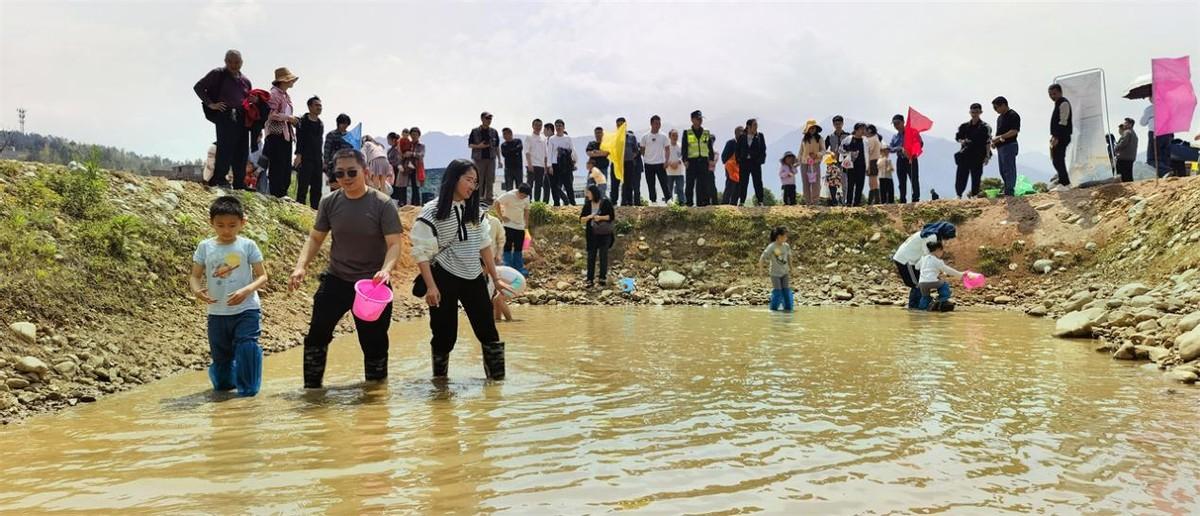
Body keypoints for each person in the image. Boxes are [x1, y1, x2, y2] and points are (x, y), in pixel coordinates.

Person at [289, 149, 404, 389]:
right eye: (339, 173)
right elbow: (315, 239)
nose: (346, 177)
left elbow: (394, 244)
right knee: (317, 336)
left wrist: (386, 270)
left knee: (374, 342)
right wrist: (300, 267)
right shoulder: (329, 202)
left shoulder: (382, 204)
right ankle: (312, 392)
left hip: (373, 286)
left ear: (366, 172)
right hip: (337, 279)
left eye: (352, 172)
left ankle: (375, 396)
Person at [411, 159, 508, 380]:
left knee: (488, 332)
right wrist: (431, 287)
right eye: (468, 180)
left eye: (475, 181)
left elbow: (484, 245)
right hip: (443, 276)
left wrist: (495, 277)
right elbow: (421, 253)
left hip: (473, 276)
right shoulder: (431, 212)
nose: (472, 186)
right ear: (454, 178)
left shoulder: (475, 211)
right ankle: (440, 385)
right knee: (444, 335)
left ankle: (496, 385)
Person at [189, 195, 267, 396]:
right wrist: (197, 291)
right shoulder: (205, 247)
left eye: (232, 225)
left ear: (243, 222)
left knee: (247, 347)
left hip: (246, 308)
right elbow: (195, 276)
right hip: (217, 312)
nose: (226, 230)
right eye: (220, 225)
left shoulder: (248, 245)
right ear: (211, 223)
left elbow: (263, 276)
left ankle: (249, 395)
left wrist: (246, 290)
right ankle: (226, 386)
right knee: (222, 366)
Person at [194, 50, 252, 189]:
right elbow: (199, 87)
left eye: (236, 62)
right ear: (225, 61)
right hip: (225, 114)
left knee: (242, 150)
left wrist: (252, 100)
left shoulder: (246, 81)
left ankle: (239, 182)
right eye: (230, 61)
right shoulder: (218, 74)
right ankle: (220, 179)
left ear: (242, 62)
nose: (233, 65)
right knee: (225, 148)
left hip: (242, 117)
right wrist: (211, 104)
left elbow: (247, 99)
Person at [892, 221, 956, 309]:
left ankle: (917, 308)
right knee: (917, 284)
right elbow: (928, 255)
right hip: (906, 260)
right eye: (947, 237)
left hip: (913, 260)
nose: (947, 239)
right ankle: (915, 308)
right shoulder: (932, 237)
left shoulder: (931, 233)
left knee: (920, 283)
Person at [263, 67, 299, 198]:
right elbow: (271, 114)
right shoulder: (274, 94)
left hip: (286, 134)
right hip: (276, 134)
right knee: (277, 164)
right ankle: (276, 193)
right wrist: (289, 118)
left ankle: (283, 192)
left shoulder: (285, 95)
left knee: (285, 164)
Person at [580, 184, 615, 288]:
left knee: (603, 256)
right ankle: (590, 279)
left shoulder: (606, 202)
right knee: (591, 257)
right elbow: (581, 219)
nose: (587, 195)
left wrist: (600, 217)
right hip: (591, 235)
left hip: (604, 235)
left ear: (593, 193)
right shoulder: (587, 204)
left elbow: (611, 216)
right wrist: (589, 217)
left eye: (588, 192)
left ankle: (602, 278)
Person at [954, 103, 991, 198]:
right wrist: (963, 141)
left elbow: (988, 142)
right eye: (973, 112)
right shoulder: (964, 126)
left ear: (980, 112)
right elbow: (958, 137)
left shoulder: (985, 127)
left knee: (976, 177)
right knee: (961, 176)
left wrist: (987, 156)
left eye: (977, 112)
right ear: (970, 112)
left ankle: (974, 195)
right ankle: (959, 195)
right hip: (965, 154)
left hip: (978, 155)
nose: (974, 114)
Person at [293, 96, 324, 209]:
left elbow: (320, 142)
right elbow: (299, 139)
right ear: (309, 106)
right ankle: (300, 208)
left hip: (317, 159)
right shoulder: (303, 121)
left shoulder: (320, 123)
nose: (319, 107)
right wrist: (299, 155)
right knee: (303, 186)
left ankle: (315, 211)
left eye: (320, 105)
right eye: (316, 105)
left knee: (317, 188)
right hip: (305, 158)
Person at [682, 110, 717, 206]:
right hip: (691, 161)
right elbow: (684, 147)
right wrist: (684, 160)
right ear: (692, 120)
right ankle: (689, 202)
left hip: (703, 161)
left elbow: (709, 147)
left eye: (701, 118)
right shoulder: (687, 132)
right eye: (698, 118)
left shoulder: (706, 132)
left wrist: (711, 159)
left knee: (704, 183)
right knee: (690, 183)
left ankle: (704, 202)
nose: (700, 120)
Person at [916, 241, 964, 311]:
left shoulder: (923, 258)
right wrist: (960, 274)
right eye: (942, 251)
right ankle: (940, 300)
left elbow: (916, 267)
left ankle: (922, 310)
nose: (942, 253)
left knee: (925, 297)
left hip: (922, 283)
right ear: (938, 250)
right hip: (932, 281)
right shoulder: (937, 261)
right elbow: (948, 270)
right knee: (944, 284)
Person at [495, 184, 532, 275]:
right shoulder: (509, 195)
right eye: (522, 195)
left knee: (518, 248)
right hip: (508, 225)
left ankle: (519, 267)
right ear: (518, 192)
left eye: (525, 196)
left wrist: (526, 224)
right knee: (507, 246)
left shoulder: (526, 197)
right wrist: (502, 217)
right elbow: (496, 202)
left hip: (520, 227)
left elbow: (527, 210)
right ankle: (507, 267)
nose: (523, 197)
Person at [485, 211, 514, 322]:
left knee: (494, 295)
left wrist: (499, 254)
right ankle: (497, 320)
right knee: (495, 297)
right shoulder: (471, 220)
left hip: (491, 258)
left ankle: (497, 319)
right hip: (477, 259)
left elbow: (501, 239)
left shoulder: (494, 221)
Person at [991, 96, 1021, 196]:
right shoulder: (1000, 118)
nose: (995, 110)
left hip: (1010, 145)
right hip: (1001, 147)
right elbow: (999, 132)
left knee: (1009, 169)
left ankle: (1010, 191)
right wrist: (995, 142)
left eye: (996, 107)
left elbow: (1014, 131)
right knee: (1003, 170)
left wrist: (999, 137)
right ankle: (1007, 189)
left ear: (1003, 105)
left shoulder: (1013, 115)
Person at [468, 112, 501, 204]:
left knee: (490, 178)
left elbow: (497, 146)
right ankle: (478, 198)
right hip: (479, 159)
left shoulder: (494, 132)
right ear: (482, 119)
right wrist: (479, 146)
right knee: (479, 179)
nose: (489, 120)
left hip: (491, 158)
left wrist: (499, 159)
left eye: (490, 119)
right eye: (487, 118)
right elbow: (470, 145)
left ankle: (489, 198)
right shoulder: (475, 131)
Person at [759, 226, 793, 311]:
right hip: (775, 274)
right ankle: (773, 310)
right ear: (779, 237)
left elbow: (789, 257)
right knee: (778, 292)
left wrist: (792, 268)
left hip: (785, 272)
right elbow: (762, 258)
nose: (786, 237)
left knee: (786, 291)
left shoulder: (786, 246)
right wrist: (761, 271)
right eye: (785, 236)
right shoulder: (772, 247)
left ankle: (787, 309)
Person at [889, 114, 921, 203]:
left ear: (903, 122)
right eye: (894, 124)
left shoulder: (912, 132)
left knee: (914, 179)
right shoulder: (895, 136)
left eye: (898, 123)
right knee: (901, 181)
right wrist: (899, 148)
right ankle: (902, 199)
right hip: (900, 160)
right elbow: (890, 148)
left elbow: (920, 143)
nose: (896, 126)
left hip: (911, 159)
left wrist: (910, 148)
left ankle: (916, 198)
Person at [737, 118, 768, 206]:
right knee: (743, 182)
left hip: (755, 163)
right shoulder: (742, 137)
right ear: (748, 126)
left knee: (757, 182)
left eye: (756, 126)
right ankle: (742, 201)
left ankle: (760, 201)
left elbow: (763, 149)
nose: (756, 127)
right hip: (744, 162)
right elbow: (737, 150)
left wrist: (761, 160)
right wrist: (739, 159)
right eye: (754, 125)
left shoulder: (760, 136)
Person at [1048, 84, 1073, 189]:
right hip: (1058, 135)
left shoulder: (1063, 103)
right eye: (1050, 94)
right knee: (1056, 158)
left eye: (1054, 93)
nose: (1052, 96)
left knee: (1058, 158)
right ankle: (1063, 180)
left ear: (1060, 92)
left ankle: (1065, 182)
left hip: (1062, 136)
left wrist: (1057, 137)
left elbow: (1063, 121)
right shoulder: (1058, 103)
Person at [641, 115, 670, 205]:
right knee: (651, 183)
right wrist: (646, 157)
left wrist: (666, 161)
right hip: (648, 163)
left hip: (660, 163)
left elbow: (667, 149)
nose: (657, 125)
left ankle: (668, 199)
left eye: (659, 123)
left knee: (664, 182)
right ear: (651, 124)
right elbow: (642, 149)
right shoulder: (645, 136)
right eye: (656, 123)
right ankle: (653, 201)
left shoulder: (663, 136)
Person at [548, 119, 577, 206]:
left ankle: (572, 203)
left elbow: (572, 150)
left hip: (566, 164)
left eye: (560, 126)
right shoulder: (552, 139)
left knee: (568, 185)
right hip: (555, 164)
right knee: (554, 185)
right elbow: (549, 152)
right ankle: (556, 203)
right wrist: (550, 166)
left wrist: (574, 162)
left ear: (563, 127)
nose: (558, 127)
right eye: (556, 126)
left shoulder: (568, 138)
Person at [618, 117, 643, 207]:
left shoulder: (632, 137)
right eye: (618, 125)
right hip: (619, 164)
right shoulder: (615, 138)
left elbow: (636, 150)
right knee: (622, 183)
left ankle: (630, 202)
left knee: (629, 183)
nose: (620, 126)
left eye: (621, 124)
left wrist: (631, 157)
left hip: (630, 163)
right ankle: (623, 202)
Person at [825, 115, 850, 204]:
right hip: (833, 163)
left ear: (842, 123)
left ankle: (845, 201)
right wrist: (830, 154)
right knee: (832, 182)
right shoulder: (830, 137)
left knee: (845, 182)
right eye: (836, 124)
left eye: (839, 123)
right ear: (833, 124)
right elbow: (823, 149)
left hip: (845, 163)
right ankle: (833, 201)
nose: (838, 125)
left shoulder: (848, 136)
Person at [524, 118, 551, 203]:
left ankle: (537, 202)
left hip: (541, 166)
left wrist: (546, 166)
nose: (538, 127)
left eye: (540, 125)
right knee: (530, 185)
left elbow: (546, 154)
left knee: (538, 186)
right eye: (536, 125)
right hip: (532, 165)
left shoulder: (544, 138)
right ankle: (528, 201)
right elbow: (527, 152)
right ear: (533, 126)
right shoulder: (529, 137)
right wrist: (529, 164)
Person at [841, 123, 868, 206]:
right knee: (850, 184)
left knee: (860, 184)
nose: (863, 131)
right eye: (861, 129)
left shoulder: (866, 140)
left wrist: (868, 166)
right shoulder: (848, 139)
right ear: (856, 130)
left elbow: (868, 154)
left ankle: (857, 202)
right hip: (851, 165)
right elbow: (840, 149)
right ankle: (848, 202)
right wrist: (848, 149)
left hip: (862, 165)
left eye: (864, 129)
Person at [323, 114, 353, 187]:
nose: (345, 126)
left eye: (347, 124)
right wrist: (326, 163)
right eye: (343, 124)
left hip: (347, 164)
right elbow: (327, 149)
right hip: (334, 165)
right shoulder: (331, 135)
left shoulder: (350, 136)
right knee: (334, 185)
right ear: (338, 123)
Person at [586, 126, 614, 202]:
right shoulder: (591, 144)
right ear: (594, 134)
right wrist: (600, 153)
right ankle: (589, 205)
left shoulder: (606, 144)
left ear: (602, 133)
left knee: (602, 189)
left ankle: (602, 206)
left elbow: (606, 153)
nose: (598, 134)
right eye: (597, 133)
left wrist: (595, 152)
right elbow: (589, 153)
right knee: (590, 187)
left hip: (603, 169)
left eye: (600, 133)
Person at [799, 119, 823, 205]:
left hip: (815, 162)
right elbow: (801, 151)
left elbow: (823, 150)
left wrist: (817, 154)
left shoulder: (819, 138)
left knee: (816, 183)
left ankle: (815, 201)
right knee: (805, 183)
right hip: (804, 163)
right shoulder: (804, 139)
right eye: (811, 128)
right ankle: (808, 202)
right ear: (808, 129)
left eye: (814, 128)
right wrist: (798, 161)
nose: (812, 129)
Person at [401, 127, 427, 206]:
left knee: (416, 187)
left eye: (415, 135)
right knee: (405, 186)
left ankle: (416, 205)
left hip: (417, 168)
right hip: (407, 168)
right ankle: (406, 204)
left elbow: (421, 155)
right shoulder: (408, 144)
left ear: (419, 135)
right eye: (412, 134)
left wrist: (412, 154)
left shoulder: (421, 145)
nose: (414, 136)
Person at [720, 126, 744, 205]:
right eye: (739, 132)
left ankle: (734, 204)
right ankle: (725, 204)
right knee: (730, 186)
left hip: (739, 169)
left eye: (743, 132)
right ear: (735, 133)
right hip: (730, 168)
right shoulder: (731, 143)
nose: (741, 134)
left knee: (738, 187)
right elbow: (724, 157)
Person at [1115, 117, 1139, 182]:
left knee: (1121, 177)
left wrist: (1115, 148)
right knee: (1128, 176)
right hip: (1130, 158)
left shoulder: (1127, 132)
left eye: (1126, 123)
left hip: (1123, 158)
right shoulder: (1134, 134)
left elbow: (1123, 143)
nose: (1124, 124)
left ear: (1130, 124)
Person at [665, 129, 685, 204]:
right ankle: (669, 204)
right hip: (669, 172)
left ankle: (682, 203)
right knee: (669, 189)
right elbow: (663, 156)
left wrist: (678, 162)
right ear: (669, 136)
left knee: (680, 189)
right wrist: (670, 163)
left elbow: (684, 156)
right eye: (673, 135)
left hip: (679, 172)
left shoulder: (681, 146)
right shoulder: (666, 146)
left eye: (676, 135)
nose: (675, 137)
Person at [865, 125, 883, 204]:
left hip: (872, 161)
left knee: (873, 182)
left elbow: (869, 151)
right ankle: (874, 200)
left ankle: (876, 200)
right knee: (873, 182)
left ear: (869, 131)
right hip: (875, 160)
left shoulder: (871, 139)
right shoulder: (876, 138)